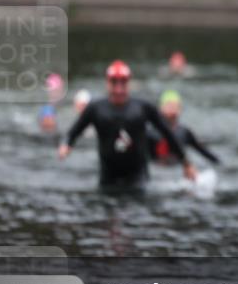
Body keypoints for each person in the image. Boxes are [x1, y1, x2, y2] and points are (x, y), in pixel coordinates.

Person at [59, 61, 196, 189]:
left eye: (123, 83)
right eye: (114, 83)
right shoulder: (95, 108)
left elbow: (167, 132)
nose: (118, 89)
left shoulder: (143, 107)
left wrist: (186, 162)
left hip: (138, 178)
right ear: (107, 83)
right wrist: (66, 145)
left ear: (129, 83)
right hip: (108, 177)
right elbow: (74, 131)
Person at [148, 90, 220, 165]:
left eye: (176, 106)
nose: (173, 109)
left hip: (177, 169)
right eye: (169, 106)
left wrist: (221, 164)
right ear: (161, 108)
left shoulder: (184, 132)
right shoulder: (150, 133)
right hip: (157, 170)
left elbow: (203, 151)